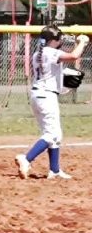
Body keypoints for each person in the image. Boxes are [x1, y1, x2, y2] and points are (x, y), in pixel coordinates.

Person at [15, 24, 89, 179]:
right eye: (59, 39)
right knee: (51, 134)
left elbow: (56, 65)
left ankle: (54, 170)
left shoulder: (39, 53)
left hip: (39, 95)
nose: (61, 41)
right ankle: (26, 159)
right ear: (53, 40)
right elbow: (74, 56)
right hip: (46, 97)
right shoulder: (50, 52)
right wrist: (82, 42)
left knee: (56, 134)